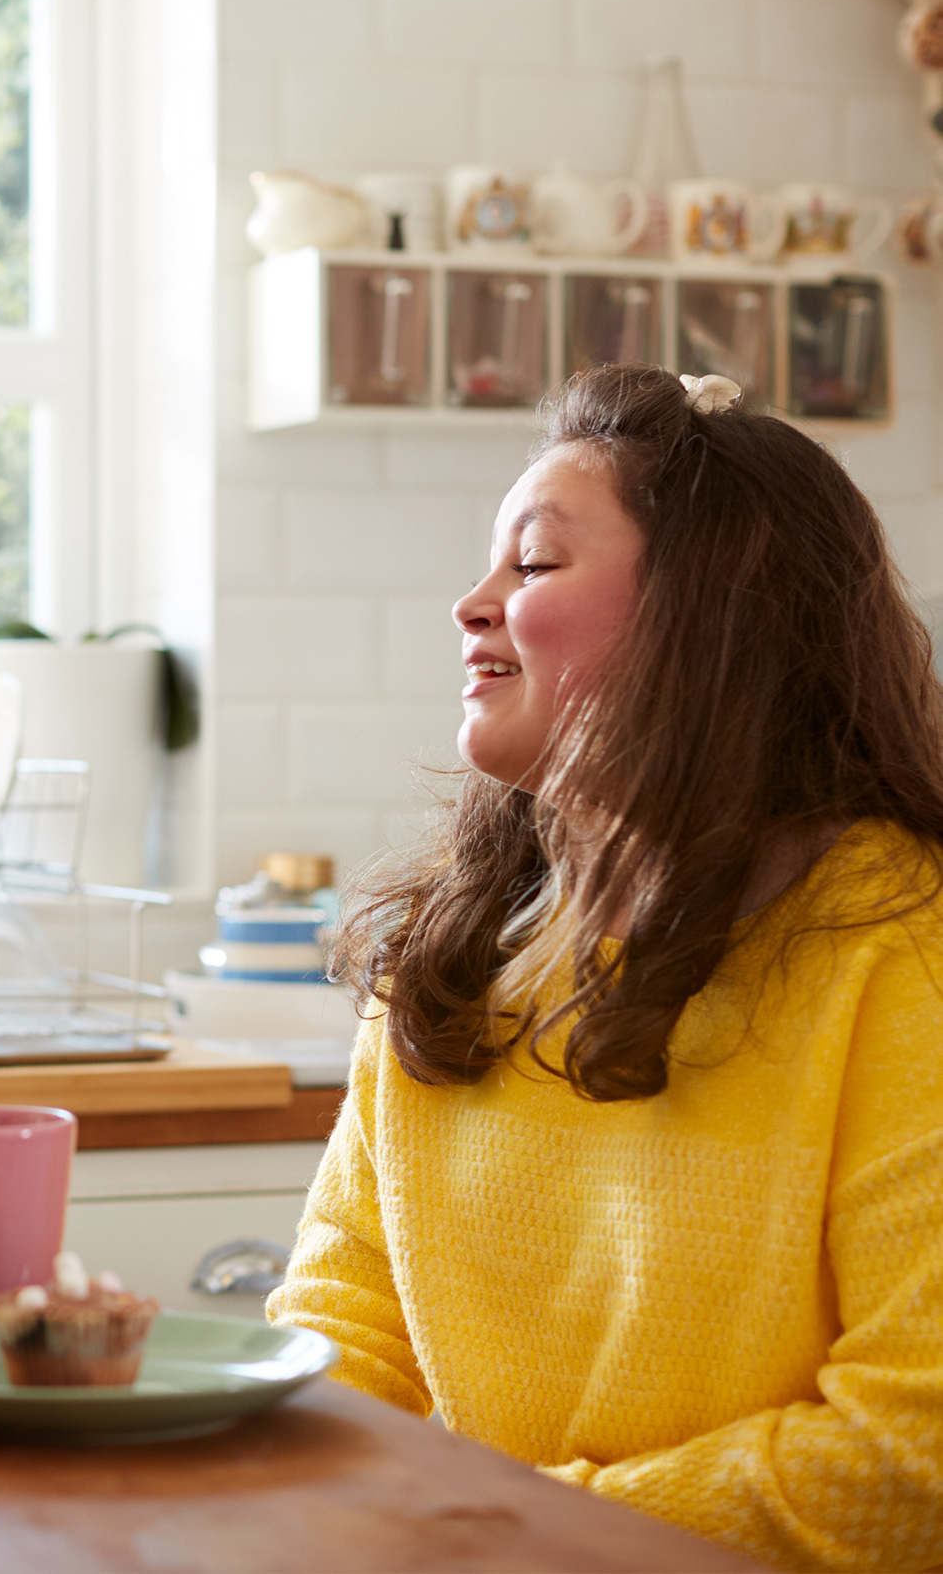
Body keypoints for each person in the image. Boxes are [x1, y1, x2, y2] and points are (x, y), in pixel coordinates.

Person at [268, 364, 943, 1569]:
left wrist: (511, 1529)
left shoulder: (898, 953)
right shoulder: (456, 951)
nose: (474, 604)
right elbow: (340, 1327)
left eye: (530, 565)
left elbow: (916, 1444)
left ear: (710, 613)